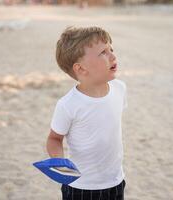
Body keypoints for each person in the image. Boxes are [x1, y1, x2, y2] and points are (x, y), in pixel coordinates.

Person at [46, 26, 127, 200]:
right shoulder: (68, 104)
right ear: (81, 69)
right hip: (81, 186)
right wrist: (60, 162)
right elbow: (54, 139)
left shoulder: (119, 89)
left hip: (115, 181)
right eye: (103, 53)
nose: (113, 56)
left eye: (111, 49)